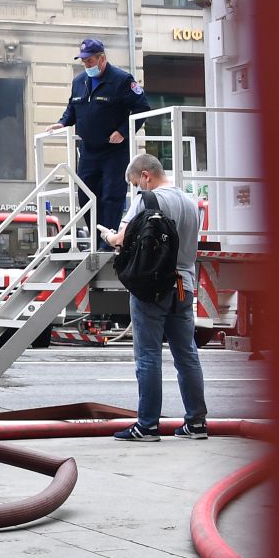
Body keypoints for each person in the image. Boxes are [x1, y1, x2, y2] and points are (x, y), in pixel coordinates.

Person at [101, 153, 208, 442]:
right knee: (186, 354)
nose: (138, 188)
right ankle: (196, 423)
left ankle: (147, 426)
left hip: (152, 286)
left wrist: (109, 236)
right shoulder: (189, 202)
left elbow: (123, 238)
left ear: (146, 175)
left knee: (148, 356)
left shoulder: (147, 200)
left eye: (137, 182)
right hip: (184, 284)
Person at [48, 37, 152, 231]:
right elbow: (73, 107)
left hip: (114, 151)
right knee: (85, 195)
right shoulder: (79, 81)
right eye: (84, 61)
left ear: (101, 58)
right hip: (88, 150)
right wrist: (62, 123)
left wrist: (122, 132)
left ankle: (107, 239)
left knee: (111, 195)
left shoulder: (122, 80)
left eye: (90, 61)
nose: (86, 65)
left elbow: (142, 108)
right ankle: (96, 236)